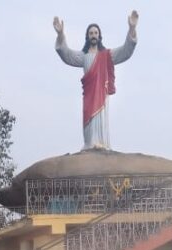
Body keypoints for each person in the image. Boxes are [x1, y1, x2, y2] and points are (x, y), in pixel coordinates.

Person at [53, 10, 138, 150]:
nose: (93, 35)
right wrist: (60, 34)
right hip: (89, 96)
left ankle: (102, 144)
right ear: (87, 36)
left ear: (99, 36)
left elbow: (125, 52)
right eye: (91, 33)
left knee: (101, 119)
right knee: (88, 121)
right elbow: (67, 55)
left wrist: (132, 29)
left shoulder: (106, 55)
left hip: (101, 96)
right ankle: (89, 145)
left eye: (95, 33)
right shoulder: (83, 56)